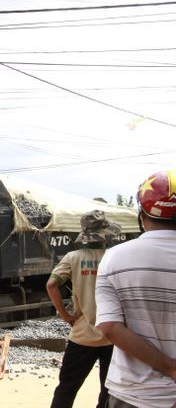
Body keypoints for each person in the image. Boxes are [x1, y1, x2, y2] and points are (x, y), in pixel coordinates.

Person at [96, 170, 176, 408]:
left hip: (133, 395)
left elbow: (109, 327)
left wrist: (170, 367)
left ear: (141, 215)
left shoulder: (114, 258)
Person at [47, 210, 120, 408]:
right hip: (114, 336)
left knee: (67, 388)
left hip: (81, 336)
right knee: (109, 392)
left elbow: (51, 285)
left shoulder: (73, 257)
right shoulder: (114, 256)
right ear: (106, 234)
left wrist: (65, 316)